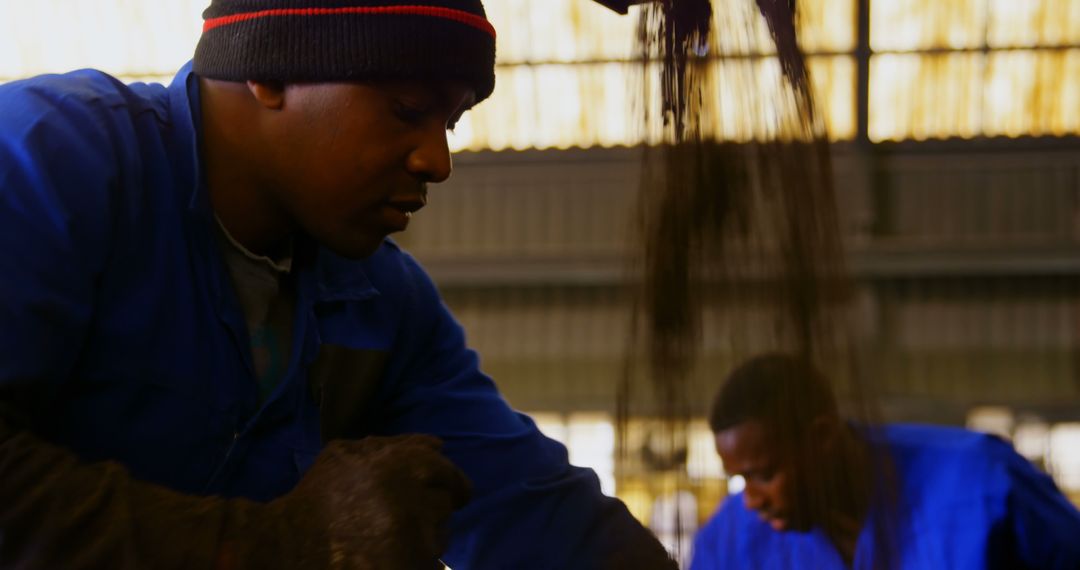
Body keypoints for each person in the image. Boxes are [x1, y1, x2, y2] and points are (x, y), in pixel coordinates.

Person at [0, 1, 676, 568]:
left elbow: (528, 505)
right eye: (407, 108)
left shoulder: (382, 303)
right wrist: (279, 543)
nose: (436, 161)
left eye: (451, 122)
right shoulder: (50, 162)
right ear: (268, 68)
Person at [690, 353, 1080, 569]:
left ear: (822, 437)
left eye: (764, 474)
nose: (752, 500)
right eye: (740, 480)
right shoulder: (729, 543)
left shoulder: (982, 484)